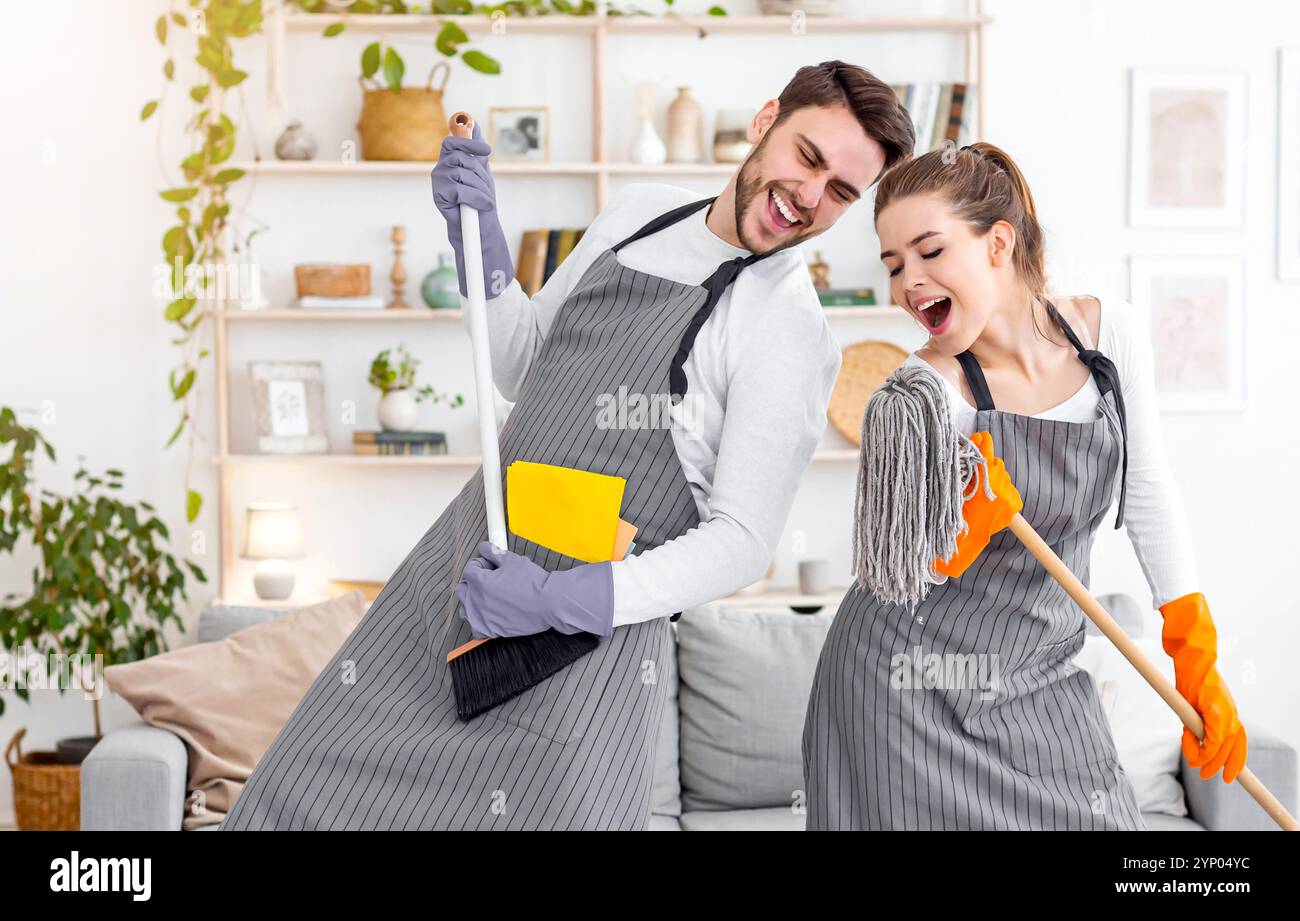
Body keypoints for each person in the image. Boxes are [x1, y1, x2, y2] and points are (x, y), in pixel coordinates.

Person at [220, 61, 915, 830]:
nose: (810, 197)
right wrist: (479, 236)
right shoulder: (640, 214)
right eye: (808, 157)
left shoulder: (786, 327)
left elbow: (743, 543)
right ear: (764, 122)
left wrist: (552, 599)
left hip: (568, 657)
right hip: (454, 583)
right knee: (294, 800)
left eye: (843, 192)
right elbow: (524, 364)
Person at [802, 142, 1247, 830]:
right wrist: (964, 525)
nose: (908, 284)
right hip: (903, 688)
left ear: (998, 243)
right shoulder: (922, 392)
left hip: (1040, 674)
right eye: (893, 266)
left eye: (928, 252)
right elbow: (898, 567)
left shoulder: (1109, 337)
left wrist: (1193, 650)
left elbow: (1150, 486)